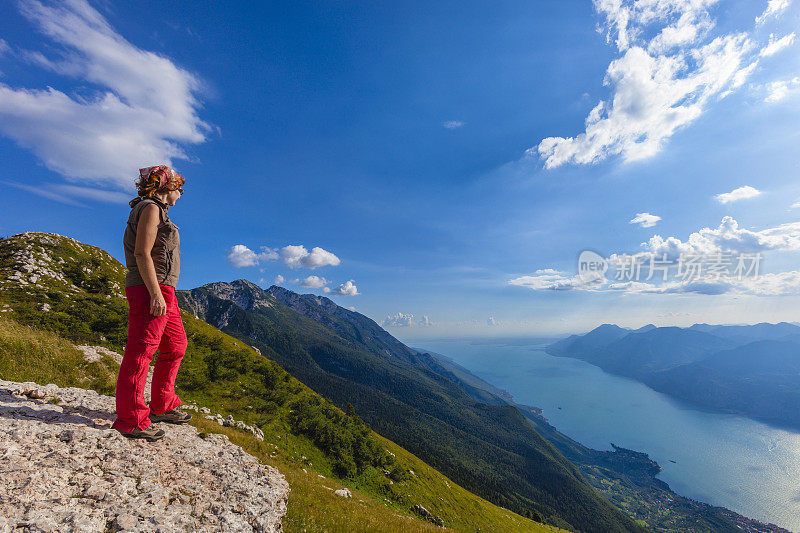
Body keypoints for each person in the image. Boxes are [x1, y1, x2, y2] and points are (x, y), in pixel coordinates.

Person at [112, 165, 192, 441]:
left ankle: (162, 405)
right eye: (178, 188)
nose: (180, 193)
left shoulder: (156, 210)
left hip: (163, 289)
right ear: (165, 187)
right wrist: (156, 294)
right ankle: (131, 418)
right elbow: (142, 253)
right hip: (150, 288)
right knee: (142, 350)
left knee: (176, 344)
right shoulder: (150, 208)